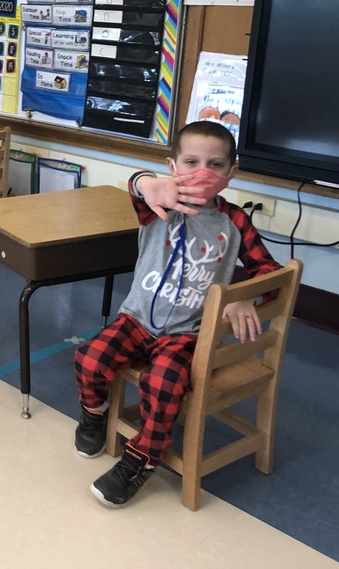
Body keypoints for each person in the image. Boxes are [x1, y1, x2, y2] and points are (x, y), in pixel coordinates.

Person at [73, 120, 281, 508]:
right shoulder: (157, 208)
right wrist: (145, 183)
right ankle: (94, 414)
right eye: (191, 161)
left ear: (231, 173)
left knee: (163, 382)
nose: (203, 172)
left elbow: (270, 273)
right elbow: (138, 185)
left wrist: (243, 298)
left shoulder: (235, 221)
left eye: (216, 165)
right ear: (172, 166)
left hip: (187, 333)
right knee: (90, 358)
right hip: (136, 320)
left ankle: (141, 459)